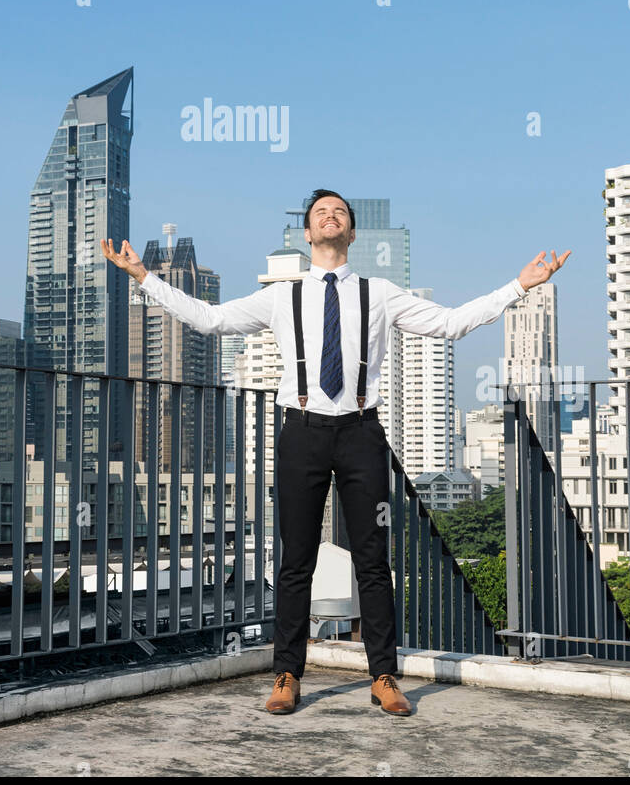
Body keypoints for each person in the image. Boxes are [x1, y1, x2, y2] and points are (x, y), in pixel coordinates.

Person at [101, 190, 570, 717]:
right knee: (296, 559)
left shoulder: (380, 293)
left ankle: (384, 676)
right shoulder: (283, 295)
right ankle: (286, 674)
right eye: (321, 212)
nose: (330, 217)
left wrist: (518, 286)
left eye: (340, 213)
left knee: (373, 560)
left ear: (351, 234)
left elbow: (448, 323)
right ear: (307, 234)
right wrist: (145, 277)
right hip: (300, 431)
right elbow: (210, 319)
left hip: (361, 433)